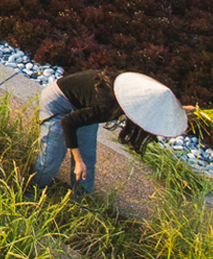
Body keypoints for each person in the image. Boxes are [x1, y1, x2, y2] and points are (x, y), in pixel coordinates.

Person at [31, 70, 186, 195]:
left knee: (88, 160)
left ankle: (82, 201)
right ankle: (33, 192)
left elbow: (152, 106)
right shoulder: (106, 107)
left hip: (83, 106)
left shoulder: (130, 94)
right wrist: (77, 161)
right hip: (58, 104)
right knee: (52, 158)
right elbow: (68, 123)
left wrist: (181, 111)